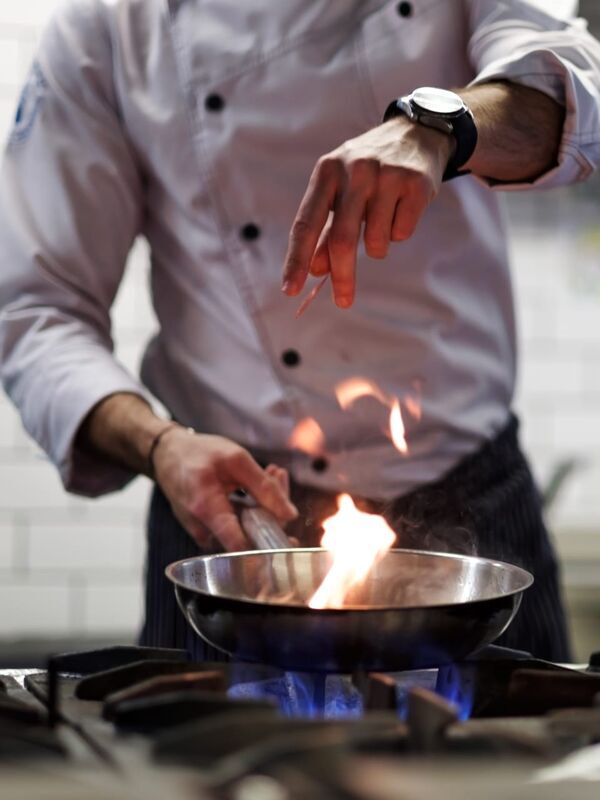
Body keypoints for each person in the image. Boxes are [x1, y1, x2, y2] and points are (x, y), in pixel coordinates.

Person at [1, 0, 599, 662]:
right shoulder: (109, 29)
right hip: (230, 524)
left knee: (529, 765)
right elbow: (36, 309)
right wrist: (160, 445)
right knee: (205, 768)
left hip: (474, 513)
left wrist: (441, 125)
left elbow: (579, 89)